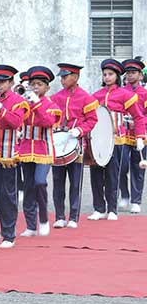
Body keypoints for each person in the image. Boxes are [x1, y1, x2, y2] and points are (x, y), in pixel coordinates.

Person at [89, 59, 145, 221]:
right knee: (96, 174)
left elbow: (138, 117)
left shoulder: (126, 95)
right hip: (98, 141)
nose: (107, 77)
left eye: (111, 74)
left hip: (117, 140)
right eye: (105, 74)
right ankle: (98, 208)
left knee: (113, 174)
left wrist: (140, 137)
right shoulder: (96, 95)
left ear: (117, 76)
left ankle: (112, 209)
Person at [0, 65, 28, 249]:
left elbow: (16, 122)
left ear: (11, 83)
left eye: (2, 81)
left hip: (8, 153)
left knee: (7, 195)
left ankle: (9, 235)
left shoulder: (18, 101)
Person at [51, 63, 98, 229]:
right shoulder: (56, 97)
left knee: (75, 182)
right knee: (57, 181)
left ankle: (74, 217)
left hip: (77, 144)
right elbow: (52, 117)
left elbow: (92, 120)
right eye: (61, 77)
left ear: (76, 77)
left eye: (65, 77)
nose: (62, 80)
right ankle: (59, 216)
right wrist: (55, 126)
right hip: (59, 143)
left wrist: (80, 130)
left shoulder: (86, 98)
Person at [17, 66, 62, 237]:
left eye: (39, 84)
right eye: (33, 84)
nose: (35, 87)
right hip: (26, 148)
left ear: (47, 87)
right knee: (28, 186)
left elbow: (48, 122)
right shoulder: (24, 102)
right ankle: (30, 225)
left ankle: (43, 218)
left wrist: (36, 103)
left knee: (39, 182)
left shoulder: (51, 105)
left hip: (44, 149)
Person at [118, 59, 147, 213]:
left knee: (138, 167)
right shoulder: (122, 92)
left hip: (140, 134)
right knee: (121, 166)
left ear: (140, 76)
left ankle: (136, 200)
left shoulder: (145, 94)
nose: (130, 75)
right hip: (123, 134)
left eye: (133, 72)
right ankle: (124, 195)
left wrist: (141, 123)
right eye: (128, 73)